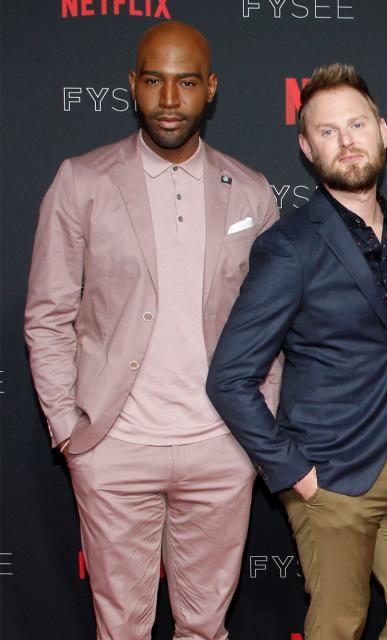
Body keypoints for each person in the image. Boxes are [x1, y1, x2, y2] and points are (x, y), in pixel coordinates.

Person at [24, 22, 279, 639]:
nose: (170, 100)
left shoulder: (250, 191)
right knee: (122, 630)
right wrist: (69, 427)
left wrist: (256, 427)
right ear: (133, 85)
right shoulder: (82, 181)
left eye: (187, 82)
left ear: (209, 89)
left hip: (219, 448)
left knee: (205, 629)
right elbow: (48, 312)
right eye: (155, 81)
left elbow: (269, 326)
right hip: (115, 448)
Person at [205, 63, 387, 640]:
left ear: (383, 131)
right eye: (328, 131)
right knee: (338, 626)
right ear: (307, 147)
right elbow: (230, 377)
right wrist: (293, 474)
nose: (347, 140)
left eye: (356, 124)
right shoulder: (288, 247)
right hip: (329, 476)